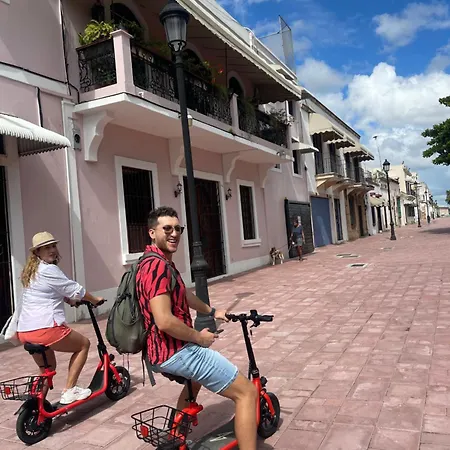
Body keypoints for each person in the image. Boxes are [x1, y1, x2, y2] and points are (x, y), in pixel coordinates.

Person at [137, 206, 258, 450]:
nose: (174, 234)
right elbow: (164, 320)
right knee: (247, 393)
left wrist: (212, 311)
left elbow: (183, 294)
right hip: (175, 350)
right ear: (152, 232)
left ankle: (175, 438)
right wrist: (198, 338)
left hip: (157, 351)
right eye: (167, 229)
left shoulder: (154, 261)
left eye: (177, 229)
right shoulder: (157, 267)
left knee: (194, 382)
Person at [17, 232, 104, 404]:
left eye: (53, 246)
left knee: (47, 369)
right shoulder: (49, 269)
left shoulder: (32, 271)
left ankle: (36, 405)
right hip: (46, 328)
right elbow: (75, 289)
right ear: (37, 252)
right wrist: (95, 299)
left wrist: (69, 300)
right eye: (46, 248)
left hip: (26, 331)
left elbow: (48, 291)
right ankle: (70, 390)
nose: (52, 250)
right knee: (83, 344)